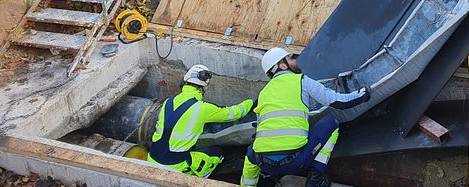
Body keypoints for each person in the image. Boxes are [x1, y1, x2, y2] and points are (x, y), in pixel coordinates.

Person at [241, 47, 371, 187]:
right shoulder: (301, 80)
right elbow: (337, 101)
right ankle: (315, 180)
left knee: (251, 152)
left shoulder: (263, 92)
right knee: (330, 123)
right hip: (295, 162)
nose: (296, 60)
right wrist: (362, 94)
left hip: (265, 164)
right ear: (282, 65)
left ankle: (248, 185)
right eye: (291, 58)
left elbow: (261, 128)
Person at [147, 64, 255, 177]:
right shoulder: (202, 108)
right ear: (203, 88)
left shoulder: (168, 102)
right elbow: (235, 113)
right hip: (175, 165)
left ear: (184, 82)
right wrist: (251, 102)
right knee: (217, 153)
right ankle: (202, 177)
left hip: (152, 158)